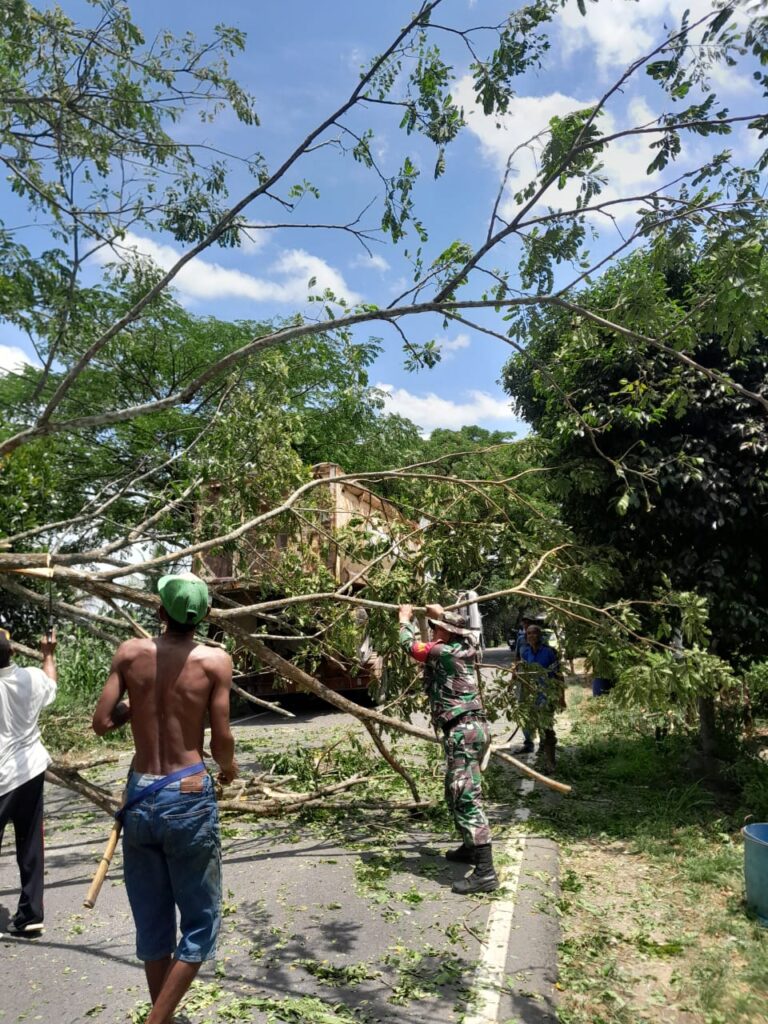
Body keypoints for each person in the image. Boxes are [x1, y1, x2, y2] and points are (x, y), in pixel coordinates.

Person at [92, 573, 237, 1024]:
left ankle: (164, 1018)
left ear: (159, 611)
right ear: (205, 617)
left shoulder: (130, 654)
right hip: (188, 791)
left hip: (141, 793)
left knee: (153, 920)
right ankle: (158, 1021)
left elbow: (101, 722)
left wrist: (135, 705)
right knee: (200, 921)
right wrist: (229, 770)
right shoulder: (215, 663)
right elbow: (222, 740)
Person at [398, 602, 499, 894]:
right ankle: (470, 849)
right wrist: (440, 614)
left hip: (463, 731)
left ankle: (485, 873)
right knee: (453, 790)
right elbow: (466, 629)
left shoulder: (442, 652)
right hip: (472, 730)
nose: (432, 630)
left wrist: (405, 619)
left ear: (449, 633)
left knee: (466, 797)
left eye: (437, 628)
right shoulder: (468, 647)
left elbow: (410, 646)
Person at [0, 627, 57, 937]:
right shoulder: (32, 677)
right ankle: (30, 914)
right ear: (12, 652)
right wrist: (48, 654)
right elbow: (51, 684)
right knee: (31, 841)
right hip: (29, 771)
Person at [518, 623, 565, 770]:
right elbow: (525, 674)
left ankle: (551, 763)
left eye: (534, 633)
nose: (531, 635)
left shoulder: (550, 652)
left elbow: (559, 675)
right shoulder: (525, 653)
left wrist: (561, 697)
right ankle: (542, 751)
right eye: (529, 633)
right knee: (537, 725)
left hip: (548, 694)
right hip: (533, 695)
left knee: (547, 727)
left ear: (540, 636)